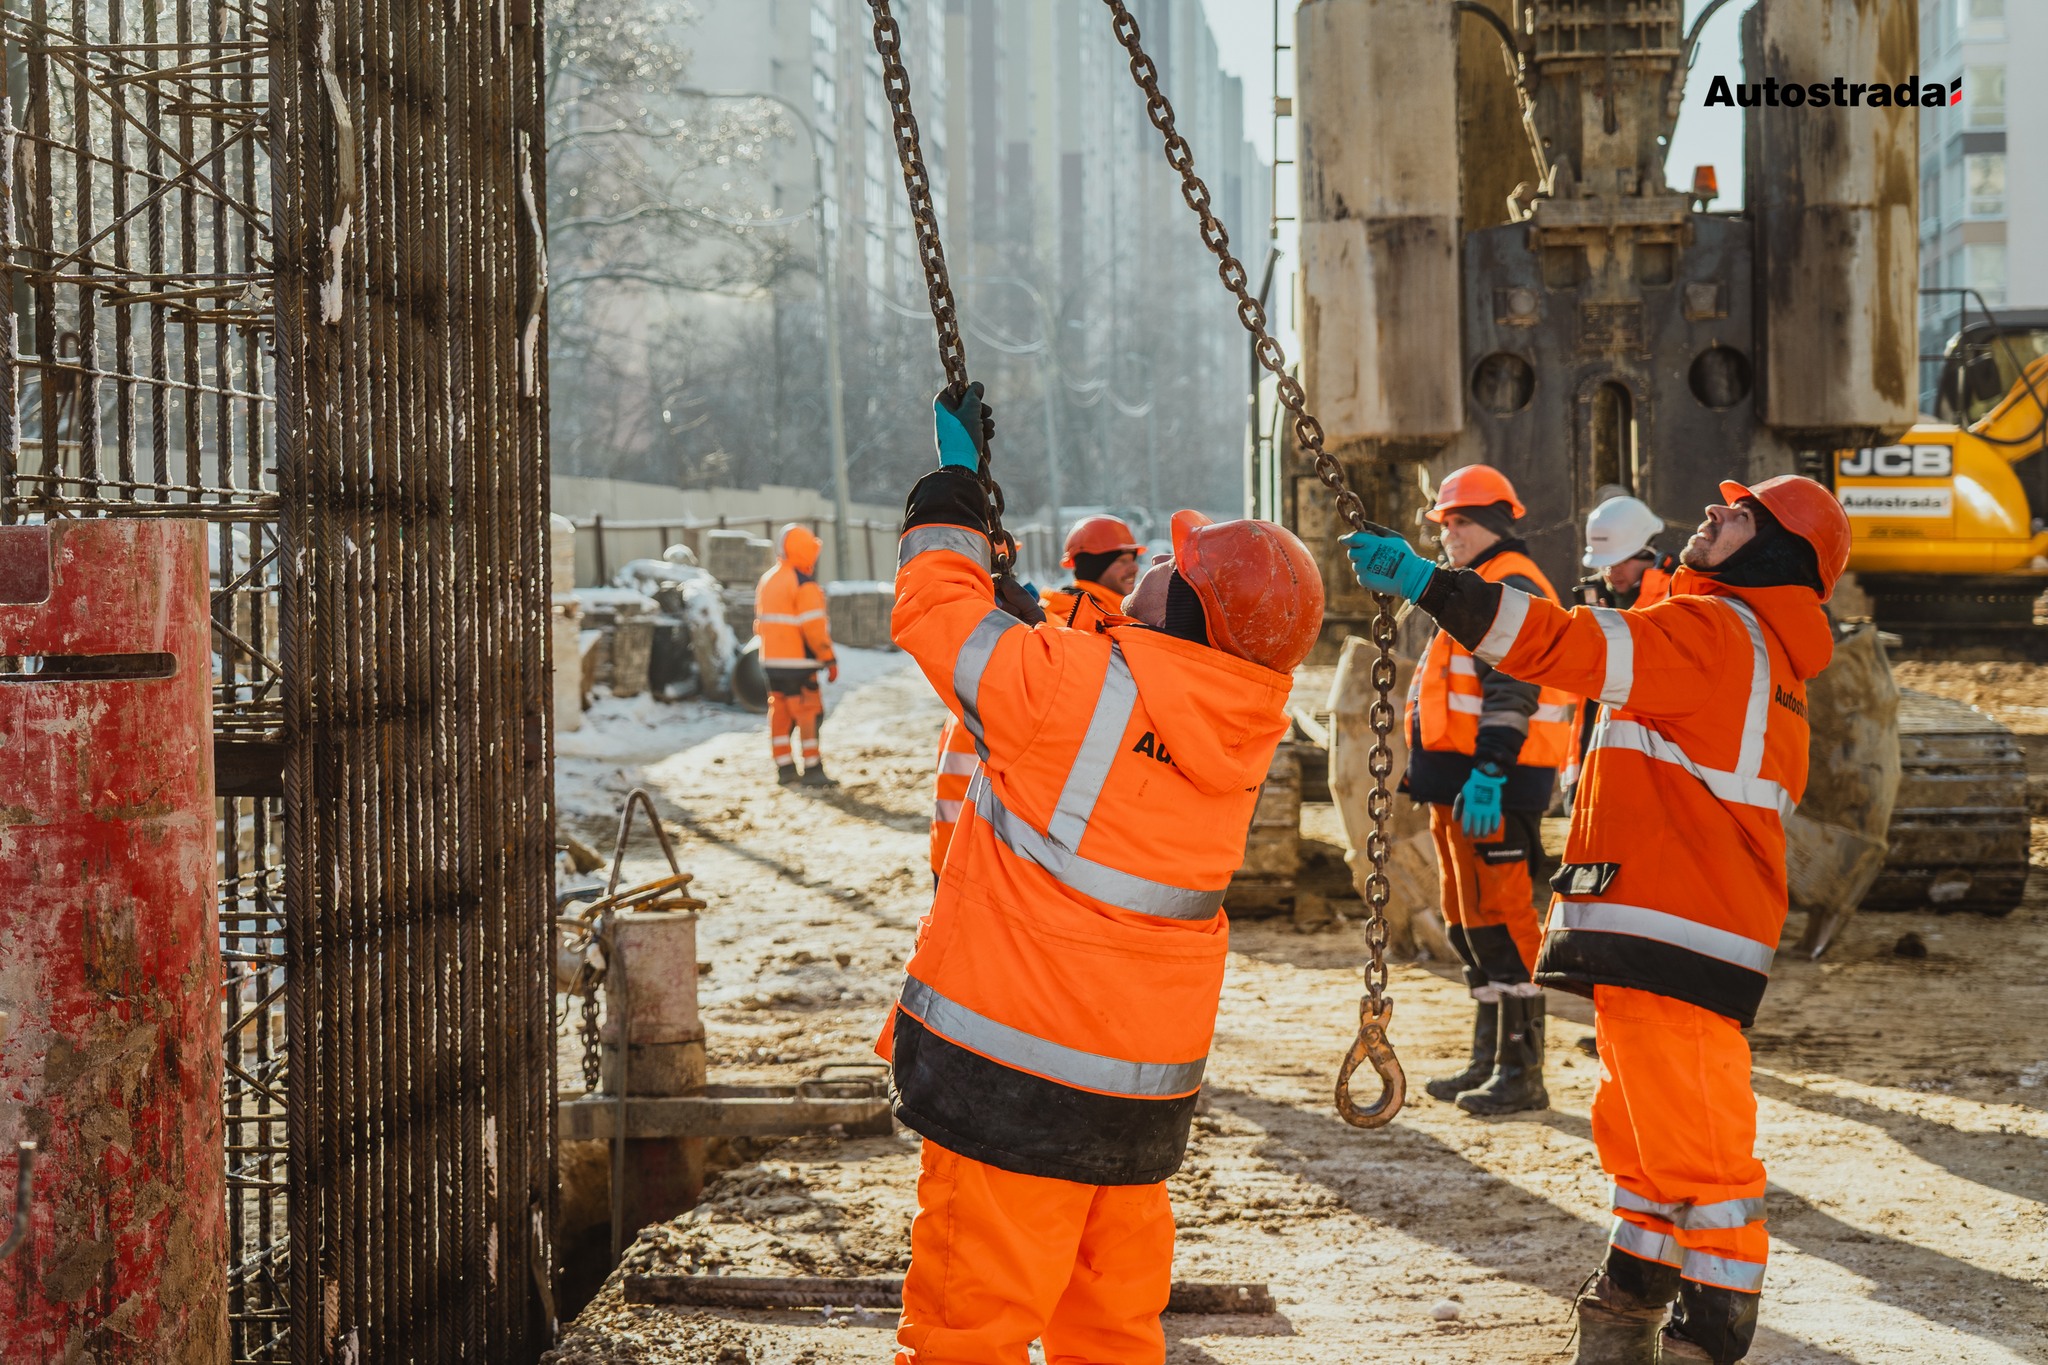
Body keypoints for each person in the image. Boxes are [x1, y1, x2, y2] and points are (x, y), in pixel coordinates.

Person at [1344, 475, 1849, 1365]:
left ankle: (1708, 1334)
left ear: (1777, 552)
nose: (1711, 510)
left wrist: (1429, 583)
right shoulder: (1748, 648)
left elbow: (1559, 645)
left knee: (1700, 1153)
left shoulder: (1715, 632)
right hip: (1671, 926)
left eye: (1737, 514)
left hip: (1674, 928)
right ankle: (1626, 1306)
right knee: (1649, 1139)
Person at [881, 382, 1323, 1365]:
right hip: (1135, 1098)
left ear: (1193, 612)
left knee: (967, 1336)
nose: (1154, 565)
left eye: (1175, 565)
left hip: (1009, 1078)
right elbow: (1110, 698)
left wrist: (951, 492)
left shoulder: (1066, 687)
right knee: (1111, 1335)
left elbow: (927, 607)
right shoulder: (1238, 727)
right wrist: (1024, 610)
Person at [1404, 465, 1578, 1117]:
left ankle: (1522, 1070)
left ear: (1497, 525)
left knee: (1506, 919)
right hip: (1461, 783)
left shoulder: (1512, 587)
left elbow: (1513, 690)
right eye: (1444, 523)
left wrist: (1491, 772)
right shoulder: (1477, 588)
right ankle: (1489, 1058)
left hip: (1494, 783)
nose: (1449, 534)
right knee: (1468, 918)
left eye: (1461, 522)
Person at [1566, 496, 1682, 794]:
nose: (1611, 572)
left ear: (1647, 554)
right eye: (1605, 564)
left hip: (1650, 768)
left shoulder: (1677, 597)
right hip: (1593, 757)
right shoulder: (1595, 602)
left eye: (1619, 562)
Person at [754, 523, 839, 787]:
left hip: (770, 662)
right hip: (799, 664)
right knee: (808, 714)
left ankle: (785, 768)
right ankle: (813, 768)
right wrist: (829, 658)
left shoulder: (768, 579)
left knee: (780, 713)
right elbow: (813, 628)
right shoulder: (803, 583)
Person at [1040, 514, 1146, 629]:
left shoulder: (1113, 612)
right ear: (1094, 567)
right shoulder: (1072, 621)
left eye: (1132, 560)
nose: (1135, 568)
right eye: (1122, 561)